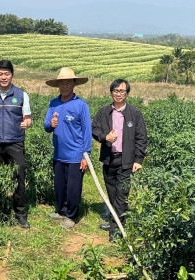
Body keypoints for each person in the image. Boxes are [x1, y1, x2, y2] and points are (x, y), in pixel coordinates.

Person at [92, 79, 147, 242]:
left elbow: (141, 137)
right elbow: (95, 129)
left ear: (127, 93)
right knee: (112, 193)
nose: (118, 94)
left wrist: (138, 159)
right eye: (116, 91)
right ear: (111, 92)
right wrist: (104, 137)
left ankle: (116, 231)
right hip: (109, 159)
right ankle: (115, 222)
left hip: (126, 160)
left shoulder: (134, 113)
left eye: (122, 91)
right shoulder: (103, 112)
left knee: (122, 196)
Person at [0, 60, 32, 229]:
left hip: (15, 142)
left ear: (12, 75)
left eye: (7, 73)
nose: (4, 77)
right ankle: (1, 211)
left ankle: (20, 214)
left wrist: (28, 123)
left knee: (19, 177)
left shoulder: (21, 94)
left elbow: (27, 119)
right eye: (0, 74)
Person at [44, 67, 92, 229]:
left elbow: (87, 131)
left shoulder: (81, 105)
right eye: (61, 83)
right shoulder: (53, 104)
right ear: (58, 85)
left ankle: (71, 216)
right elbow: (46, 126)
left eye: (67, 83)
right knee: (59, 185)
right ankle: (61, 210)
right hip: (58, 154)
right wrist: (50, 124)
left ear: (73, 84)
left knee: (73, 187)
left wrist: (85, 155)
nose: (64, 86)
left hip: (75, 155)